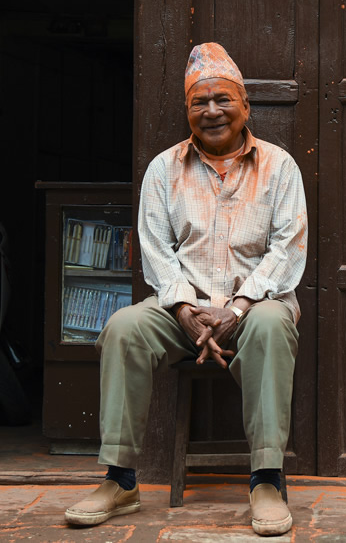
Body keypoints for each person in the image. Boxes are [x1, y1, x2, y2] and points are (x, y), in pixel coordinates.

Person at [65, 43, 307, 536]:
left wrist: (236, 308)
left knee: (269, 323)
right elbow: (155, 248)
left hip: (254, 307)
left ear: (245, 107)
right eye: (200, 102)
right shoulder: (164, 169)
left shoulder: (279, 167)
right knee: (125, 328)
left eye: (223, 100)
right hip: (182, 310)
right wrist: (183, 309)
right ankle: (121, 479)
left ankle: (266, 479)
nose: (212, 111)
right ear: (188, 110)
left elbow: (286, 249)